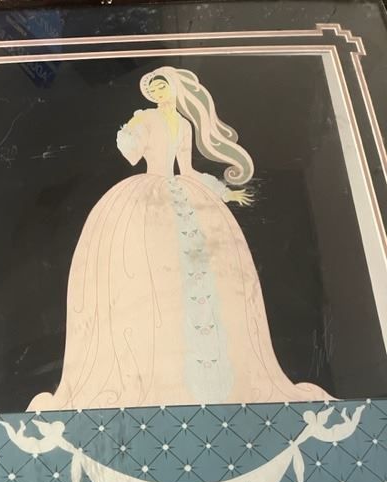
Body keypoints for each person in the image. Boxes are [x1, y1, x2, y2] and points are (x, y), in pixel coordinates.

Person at [27, 66, 331, 411]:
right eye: (153, 90)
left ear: (174, 89)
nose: (158, 94)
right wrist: (130, 129)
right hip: (144, 195)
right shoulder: (146, 118)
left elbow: (187, 169)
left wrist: (224, 193)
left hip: (181, 192)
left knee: (202, 277)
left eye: (162, 88)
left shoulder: (184, 125)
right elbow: (132, 155)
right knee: (143, 270)